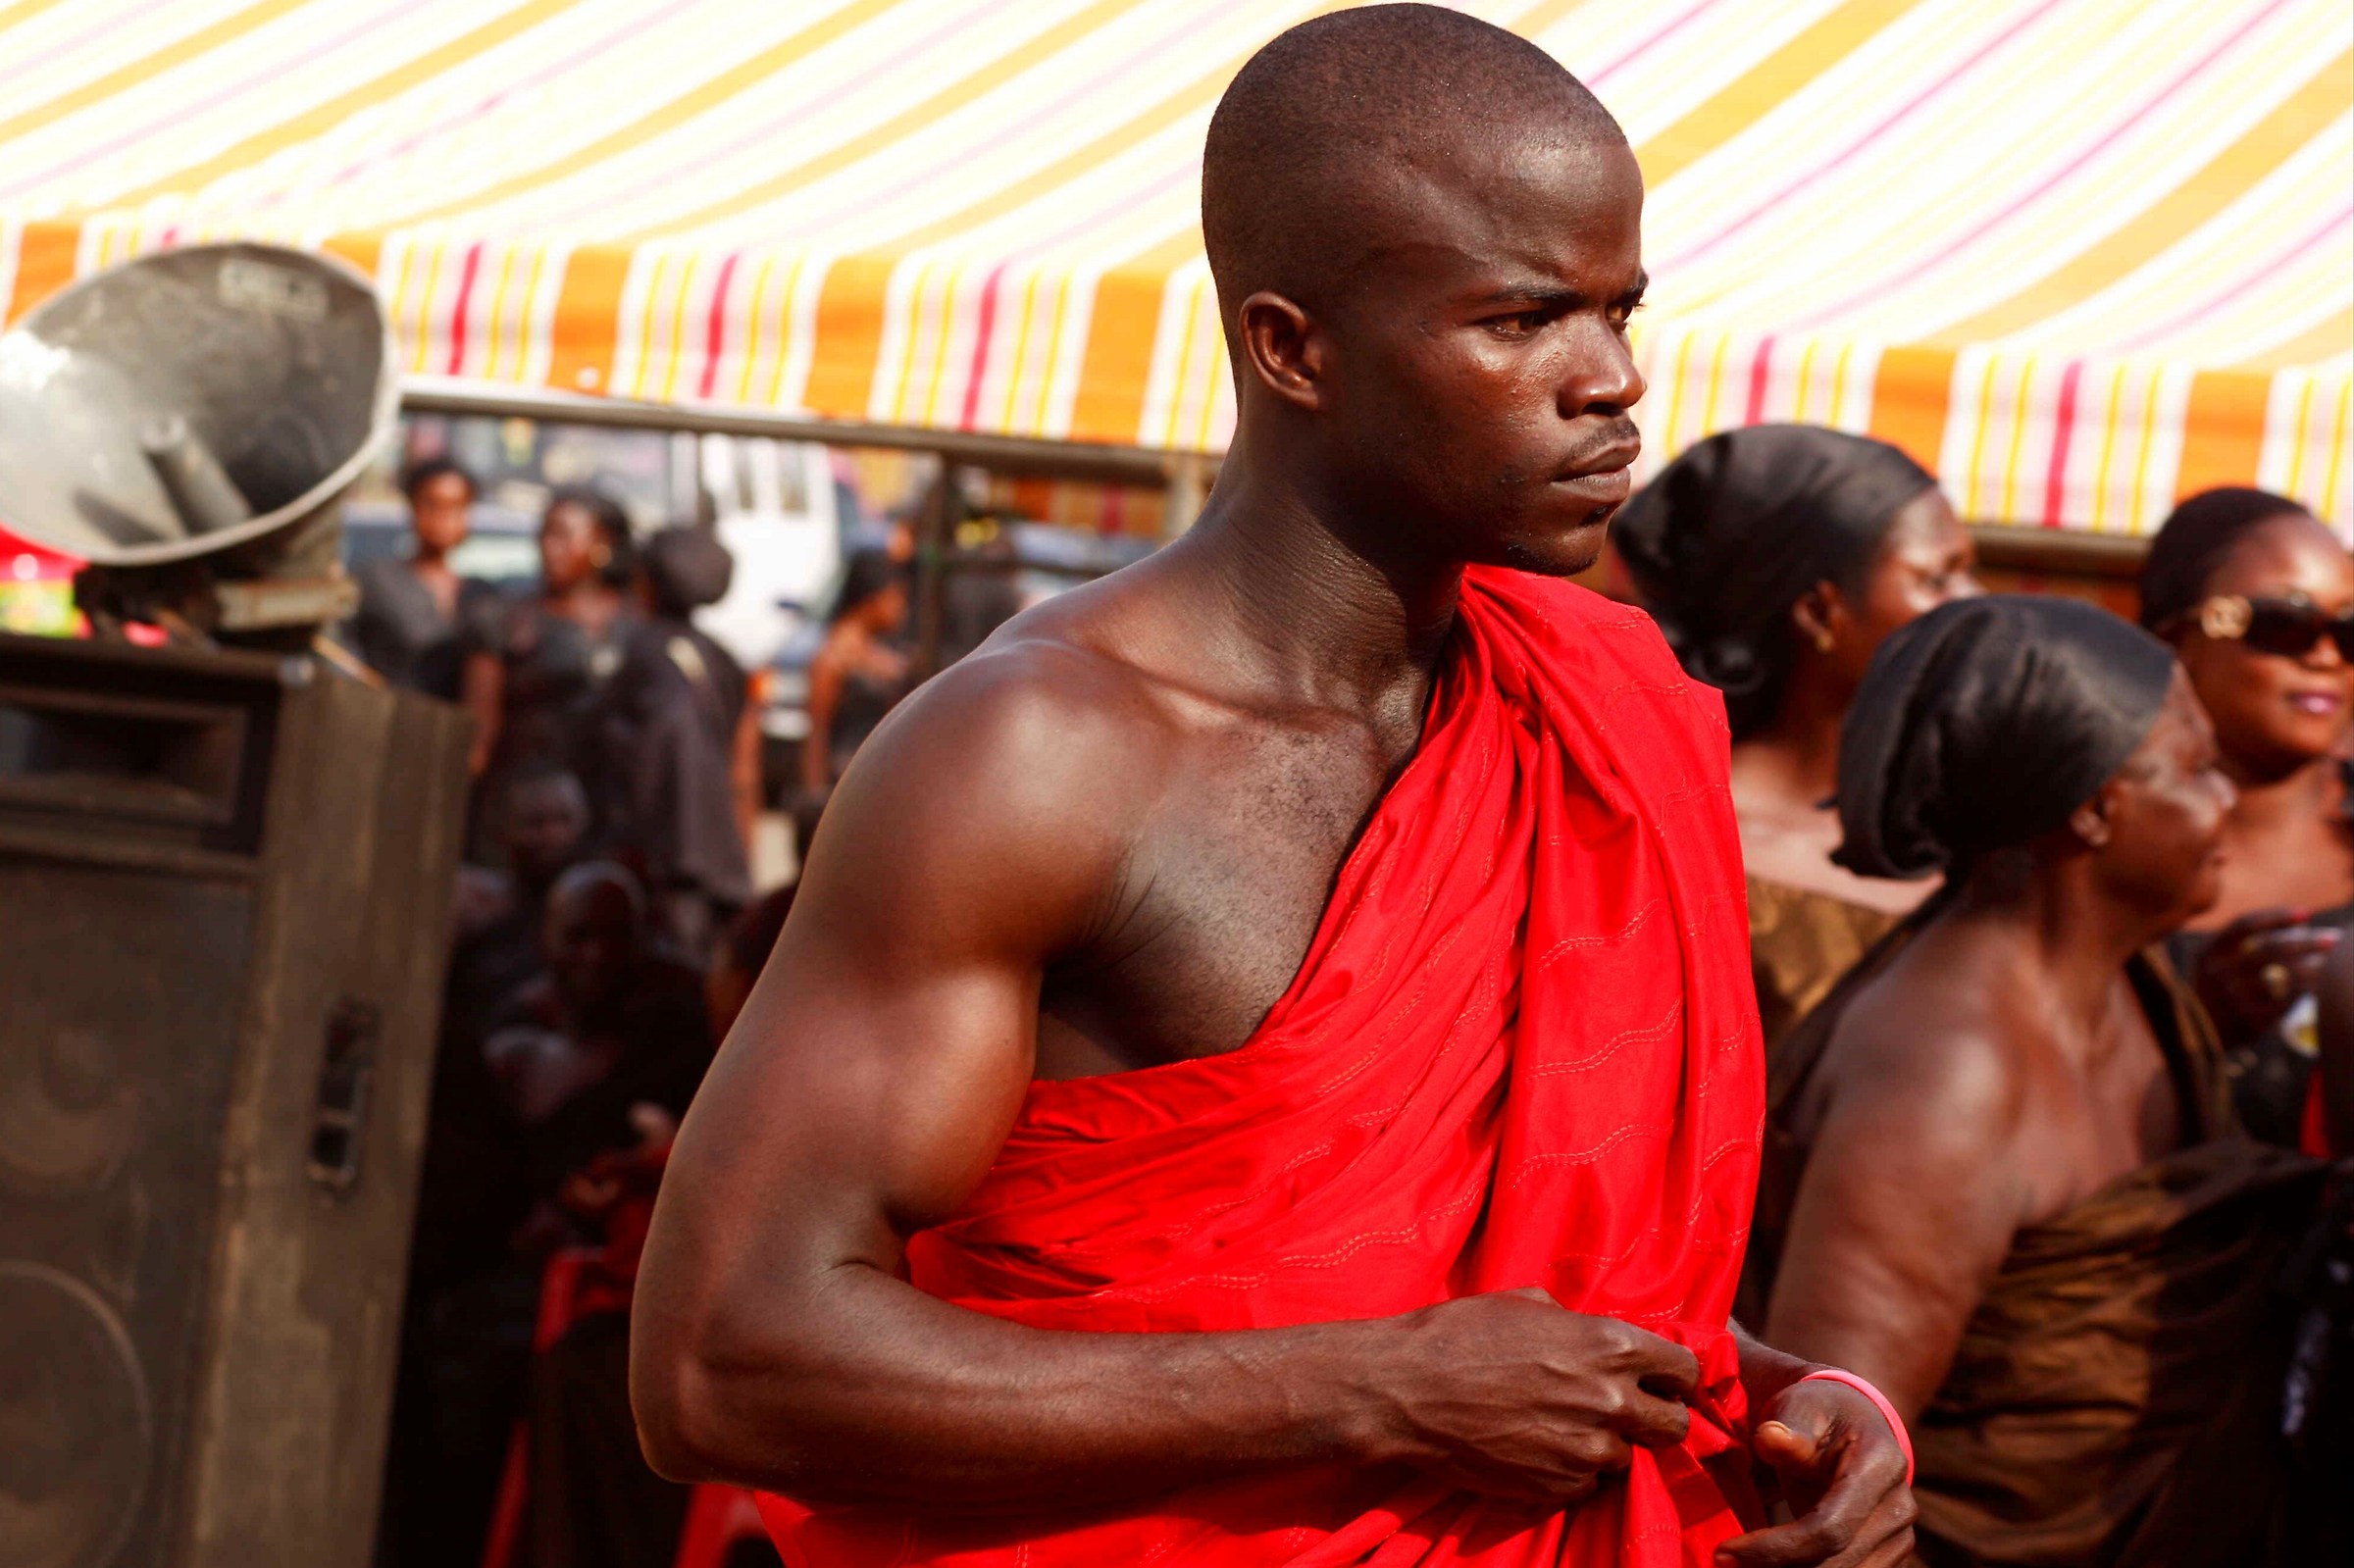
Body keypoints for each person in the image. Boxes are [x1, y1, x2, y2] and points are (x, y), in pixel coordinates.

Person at [633, 11, 1913, 1568]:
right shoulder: (1038, 753)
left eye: (1619, 309)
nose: (1613, 382)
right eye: (1521, 322)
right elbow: (720, 1355)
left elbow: (1553, 1272)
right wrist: (1368, 1389)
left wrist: (1788, 1394)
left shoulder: (1603, 715)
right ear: (1291, 347)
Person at [1744, 595, 2328, 1566]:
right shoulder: (1949, 1070)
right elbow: (1826, 1473)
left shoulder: (2136, 984)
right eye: (2194, 768)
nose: (2226, 798)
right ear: (2096, 807)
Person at [1615, 425, 1979, 1045]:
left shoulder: (1972, 825)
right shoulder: (1679, 843)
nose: (1973, 606)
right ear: (1819, 614)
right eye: (1937, 580)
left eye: (1970, 572)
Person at [2139, 487, 2354, 1142]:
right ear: (2177, 639)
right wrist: (2197, 1029)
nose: (2324, 656)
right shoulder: (2094, 847)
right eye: (2281, 624)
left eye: (2350, 630)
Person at [599, 526, 760, 959]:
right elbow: (743, 776)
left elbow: (662, 752)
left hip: (667, 871)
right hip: (722, 872)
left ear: (645, 582)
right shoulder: (723, 660)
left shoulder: (642, 654)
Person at [464, 486, 639, 845]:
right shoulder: (507, 622)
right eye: (544, 533)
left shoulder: (636, 622)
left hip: (611, 817)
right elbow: (478, 736)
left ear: (602, 543)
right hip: (528, 817)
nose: (549, 547)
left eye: (563, 534)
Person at [350, 456, 495, 697]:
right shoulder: (377, 580)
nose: (444, 518)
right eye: (433, 504)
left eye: (456, 507)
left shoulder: (482, 595)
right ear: (413, 507)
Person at [798, 546, 909, 800]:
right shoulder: (832, 659)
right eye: (895, 597)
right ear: (872, 599)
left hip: (875, 787)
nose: (901, 608)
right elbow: (817, 735)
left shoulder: (880, 655)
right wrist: (815, 800)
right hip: (842, 790)